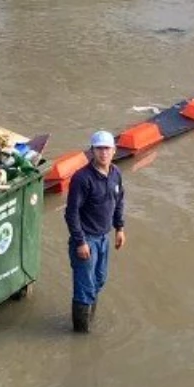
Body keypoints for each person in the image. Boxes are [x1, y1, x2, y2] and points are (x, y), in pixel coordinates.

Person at [65, 130, 126, 333]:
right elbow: (71, 213)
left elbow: (119, 201)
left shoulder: (115, 174)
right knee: (84, 288)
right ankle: (81, 334)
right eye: (99, 148)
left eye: (107, 148)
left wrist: (120, 228)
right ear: (92, 151)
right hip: (86, 240)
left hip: (103, 238)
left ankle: (89, 320)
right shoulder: (82, 179)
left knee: (99, 280)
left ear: (114, 151)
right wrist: (80, 242)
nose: (103, 153)